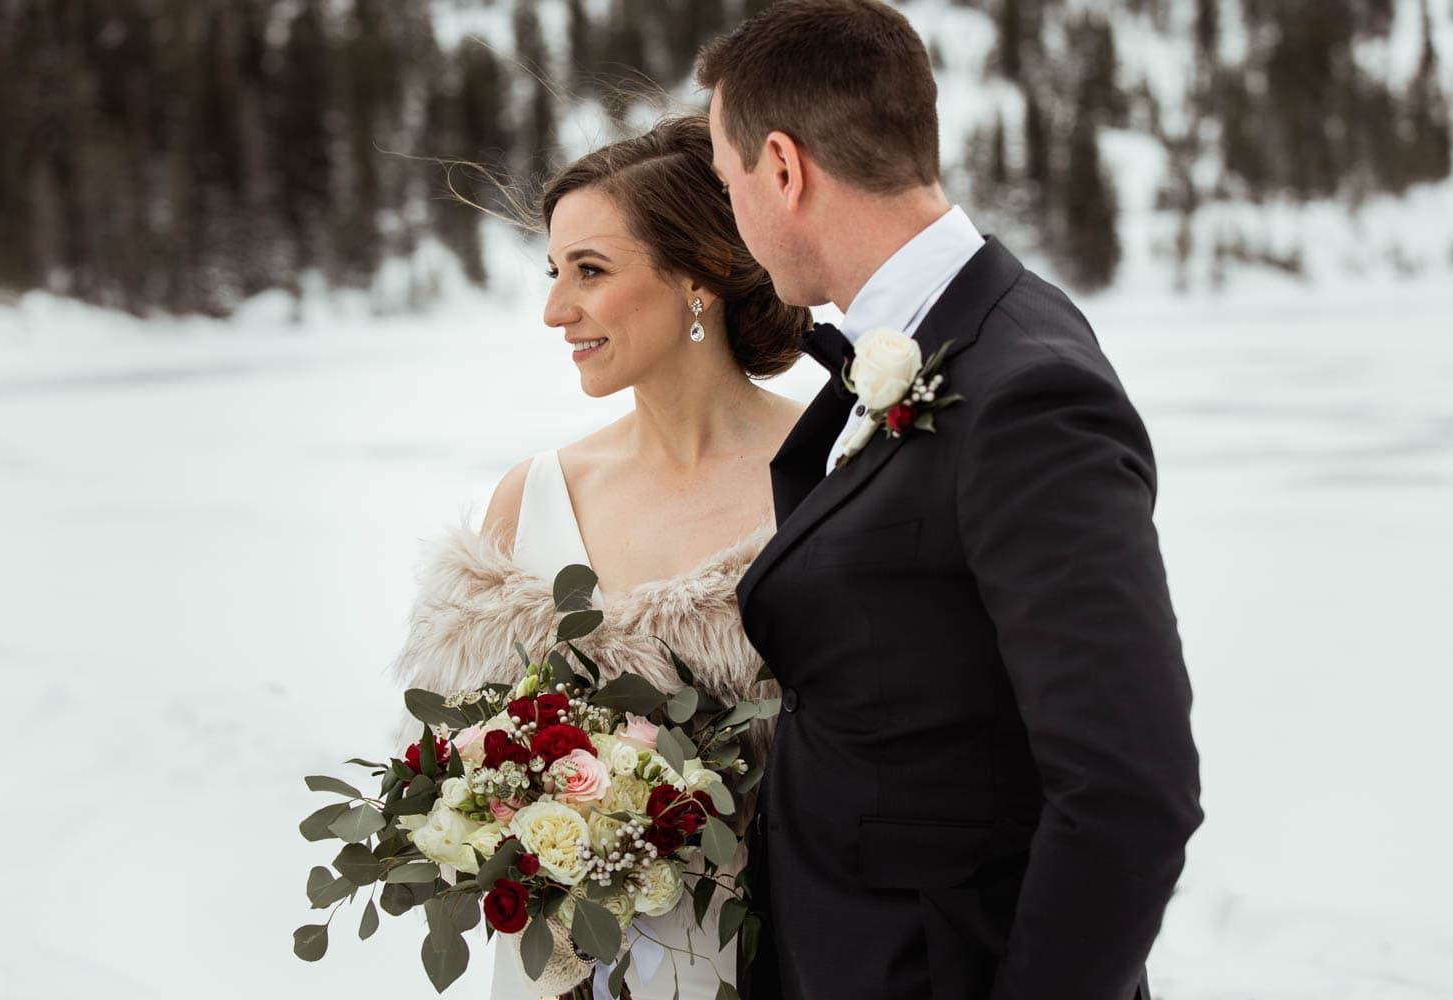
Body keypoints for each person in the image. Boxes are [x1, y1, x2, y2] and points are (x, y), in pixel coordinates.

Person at [697, 2, 1204, 998]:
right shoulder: (920, 336)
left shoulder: (1026, 387)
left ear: (786, 170)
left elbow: (1127, 788)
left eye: (729, 184)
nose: (734, 216)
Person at [390, 114, 807, 999]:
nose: (554, 310)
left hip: (775, 960)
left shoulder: (828, 476)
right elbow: (439, 769)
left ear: (697, 277)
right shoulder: (531, 496)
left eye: (590, 271)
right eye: (554, 272)